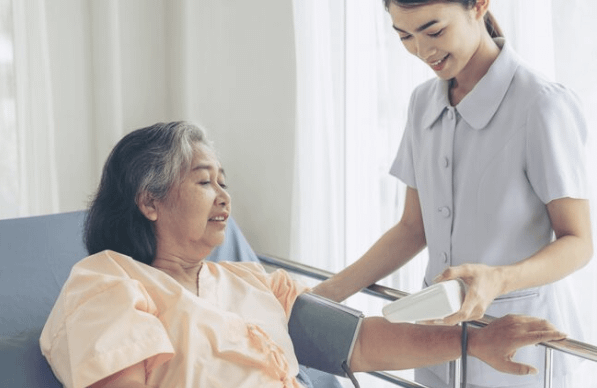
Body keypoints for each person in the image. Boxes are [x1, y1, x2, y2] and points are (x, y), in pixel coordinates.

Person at [40, 121, 566, 388]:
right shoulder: (108, 281)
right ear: (149, 201)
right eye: (203, 181)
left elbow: (361, 343)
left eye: (224, 182)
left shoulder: (254, 281)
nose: (224, 196)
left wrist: (474, 343)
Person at [311, 0, 593, 387]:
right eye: (405, 36)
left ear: (479, 3)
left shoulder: (541, 105)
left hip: (517, 349)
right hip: (436, 342)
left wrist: (498, 279)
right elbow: (413, 228)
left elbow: (579, 242)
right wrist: (322, 297)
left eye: (434, 31)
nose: (423, 51)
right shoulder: (422, 103)